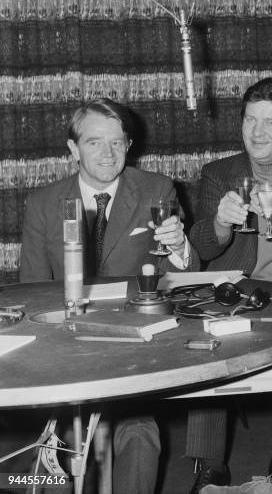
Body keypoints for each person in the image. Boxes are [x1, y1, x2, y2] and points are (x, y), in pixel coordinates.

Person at [19, 98, 197, 494]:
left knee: (138, 429)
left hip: (134, 342)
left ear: (129, 145)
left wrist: (178, 247)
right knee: (57, 446)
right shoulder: (43, 203)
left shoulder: (157, 190)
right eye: (95, 142)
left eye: (117, 143)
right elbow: (31, 291)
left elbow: (185, 275)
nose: (108, 153)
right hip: (66, 346)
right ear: (73, 149)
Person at [186, 77, 272, 490]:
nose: (257, 132)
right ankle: (209, 464)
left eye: (270, 122)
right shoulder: (218, 173)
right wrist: (220, 224)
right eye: (250, 120)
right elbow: (200, 251)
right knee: (203, 337)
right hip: (234, 294)